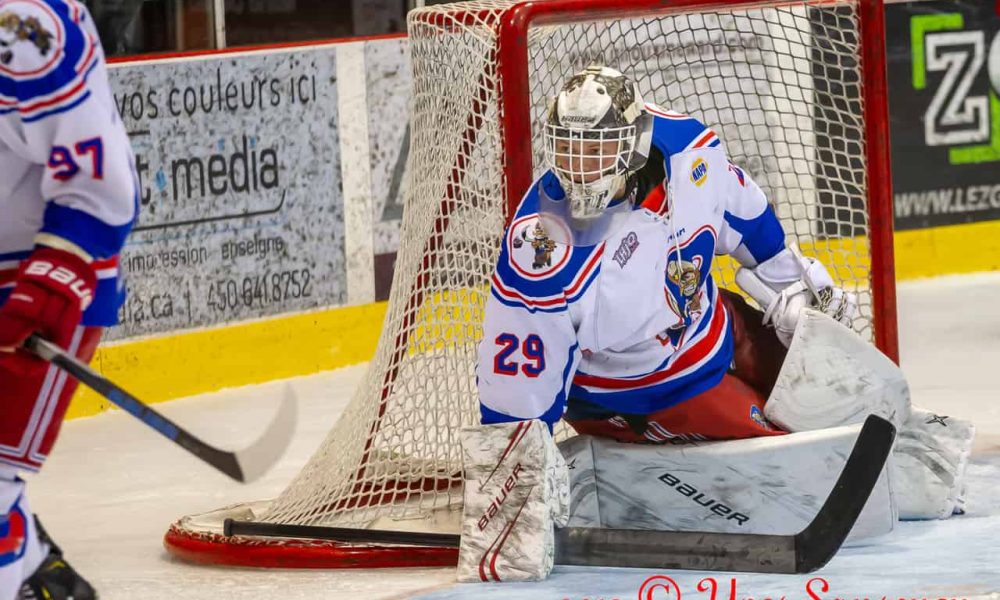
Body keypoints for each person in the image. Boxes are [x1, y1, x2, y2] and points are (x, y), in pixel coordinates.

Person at [474, 64, 856, 443]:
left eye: (596, 150)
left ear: (634, 145)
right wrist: (517, 471)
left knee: (834, 391)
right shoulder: (538, 252)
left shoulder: (688, 151)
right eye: (568, 149)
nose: (581, 169)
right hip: (649, 396)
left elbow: (745, 216)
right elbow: (515, 402)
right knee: (786, 445)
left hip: (716, 326)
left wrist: (791, 281)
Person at [0, 0, 138, 598]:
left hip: (34, 285)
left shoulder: (23, 32)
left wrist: (47, 290)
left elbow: (99, 183)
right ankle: (30, 564)